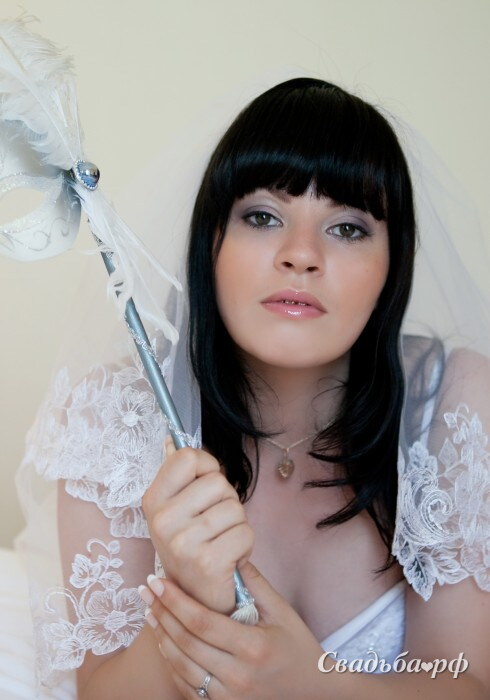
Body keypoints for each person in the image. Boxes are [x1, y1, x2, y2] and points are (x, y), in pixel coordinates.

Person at [17, 78, 489, 698]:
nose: (301, 254)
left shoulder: (451, 406)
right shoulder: (115, 418)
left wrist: (313, 685)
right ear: (211, 241)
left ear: (392, 264)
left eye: (348, 228)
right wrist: (193, 595)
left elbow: (464, 680)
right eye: (263, 217)